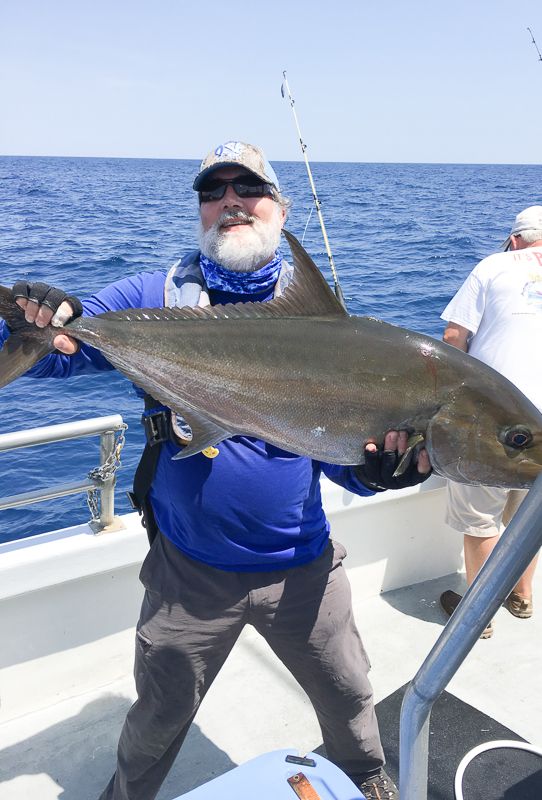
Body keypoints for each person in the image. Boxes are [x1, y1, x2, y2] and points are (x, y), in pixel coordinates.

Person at [5, 141, 432, 800]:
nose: (229, 201)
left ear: (280, 210)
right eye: (213, 191)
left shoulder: (327, 322)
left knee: (350, 695)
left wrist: (378, 475)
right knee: (156, 719)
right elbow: (63, 350)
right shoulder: (154, 295)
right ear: (201, 211)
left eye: (247, 187)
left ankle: (368, 781)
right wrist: (40, 317)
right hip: (189, 574)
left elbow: (340, 453)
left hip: (303, 564)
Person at [439, 205, 542, 638]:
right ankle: (522, 597)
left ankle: (477, 617)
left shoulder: (493, 264)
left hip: (494, 421)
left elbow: (453, 338)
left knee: (480, 519)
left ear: (514, 239)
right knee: (528, 520)